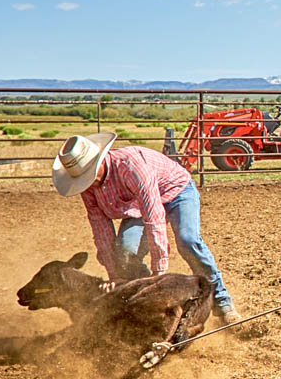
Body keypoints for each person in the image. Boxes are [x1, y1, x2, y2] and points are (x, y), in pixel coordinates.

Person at [51, 133, 256, 333]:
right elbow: (100, 227)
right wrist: (115, 275)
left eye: (90, 175)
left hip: (177, 191)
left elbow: (154, 217)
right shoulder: (89, 187)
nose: (89, 183)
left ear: (100, 160)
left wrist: (160, 276)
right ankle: (142, 303)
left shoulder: (131, 166)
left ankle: (223, 304)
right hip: (139, 205)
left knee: (188, 241)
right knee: (124, 251)